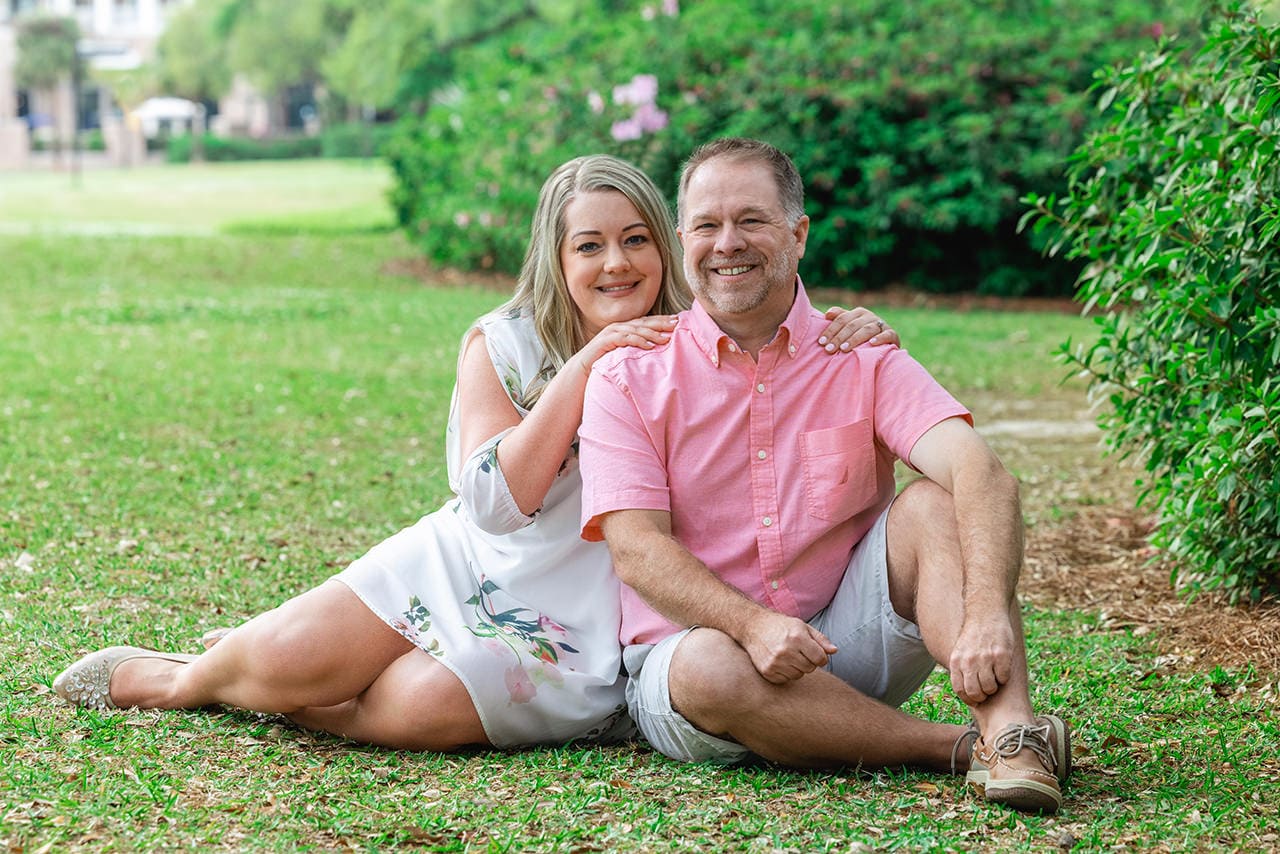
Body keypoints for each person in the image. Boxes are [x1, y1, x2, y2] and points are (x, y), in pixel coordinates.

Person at [52, 153, 900, 752]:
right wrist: (590, 367)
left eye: (636, 239)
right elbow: (495, 504)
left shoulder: (695, 332)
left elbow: (779, 331)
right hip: (473, 562)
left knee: (413, 712)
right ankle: (180, 678)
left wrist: (849, 330)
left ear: (666, 246)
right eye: (590, 244)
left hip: (586, 619)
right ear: (556, 256)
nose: (616, 263)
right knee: (283, 662)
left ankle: (306, 703)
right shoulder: (506, 344)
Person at [578, 138, 1071, 813]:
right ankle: (955, 747)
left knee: (934, 502)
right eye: (707, 224)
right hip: (700, 658)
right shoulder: (629, 375)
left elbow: (982, 472)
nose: (728, 243)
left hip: (845, 634)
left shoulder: (859, 353)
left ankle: (1013, 734)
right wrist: (752, 627)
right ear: (683, 236)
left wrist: (989, 615)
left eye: (752, 220)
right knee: (709, 669)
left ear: (798, 233)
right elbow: (636, 549)